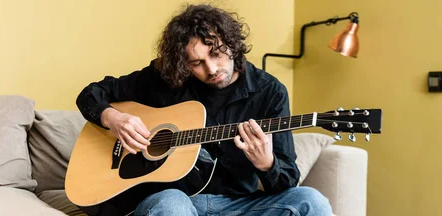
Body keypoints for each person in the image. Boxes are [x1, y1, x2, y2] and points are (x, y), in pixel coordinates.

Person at [75, 4, 332, 216]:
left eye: (216, 53)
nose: (211, 69)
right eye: (196, 63)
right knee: (172, 206)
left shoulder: (269, 92)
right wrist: (114, 118)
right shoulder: (165, 79)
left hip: (238, 204)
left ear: (232, 44)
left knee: (311, 201)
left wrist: (267, 163)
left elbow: (287, 179)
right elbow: (90, 93)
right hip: (175, 200)